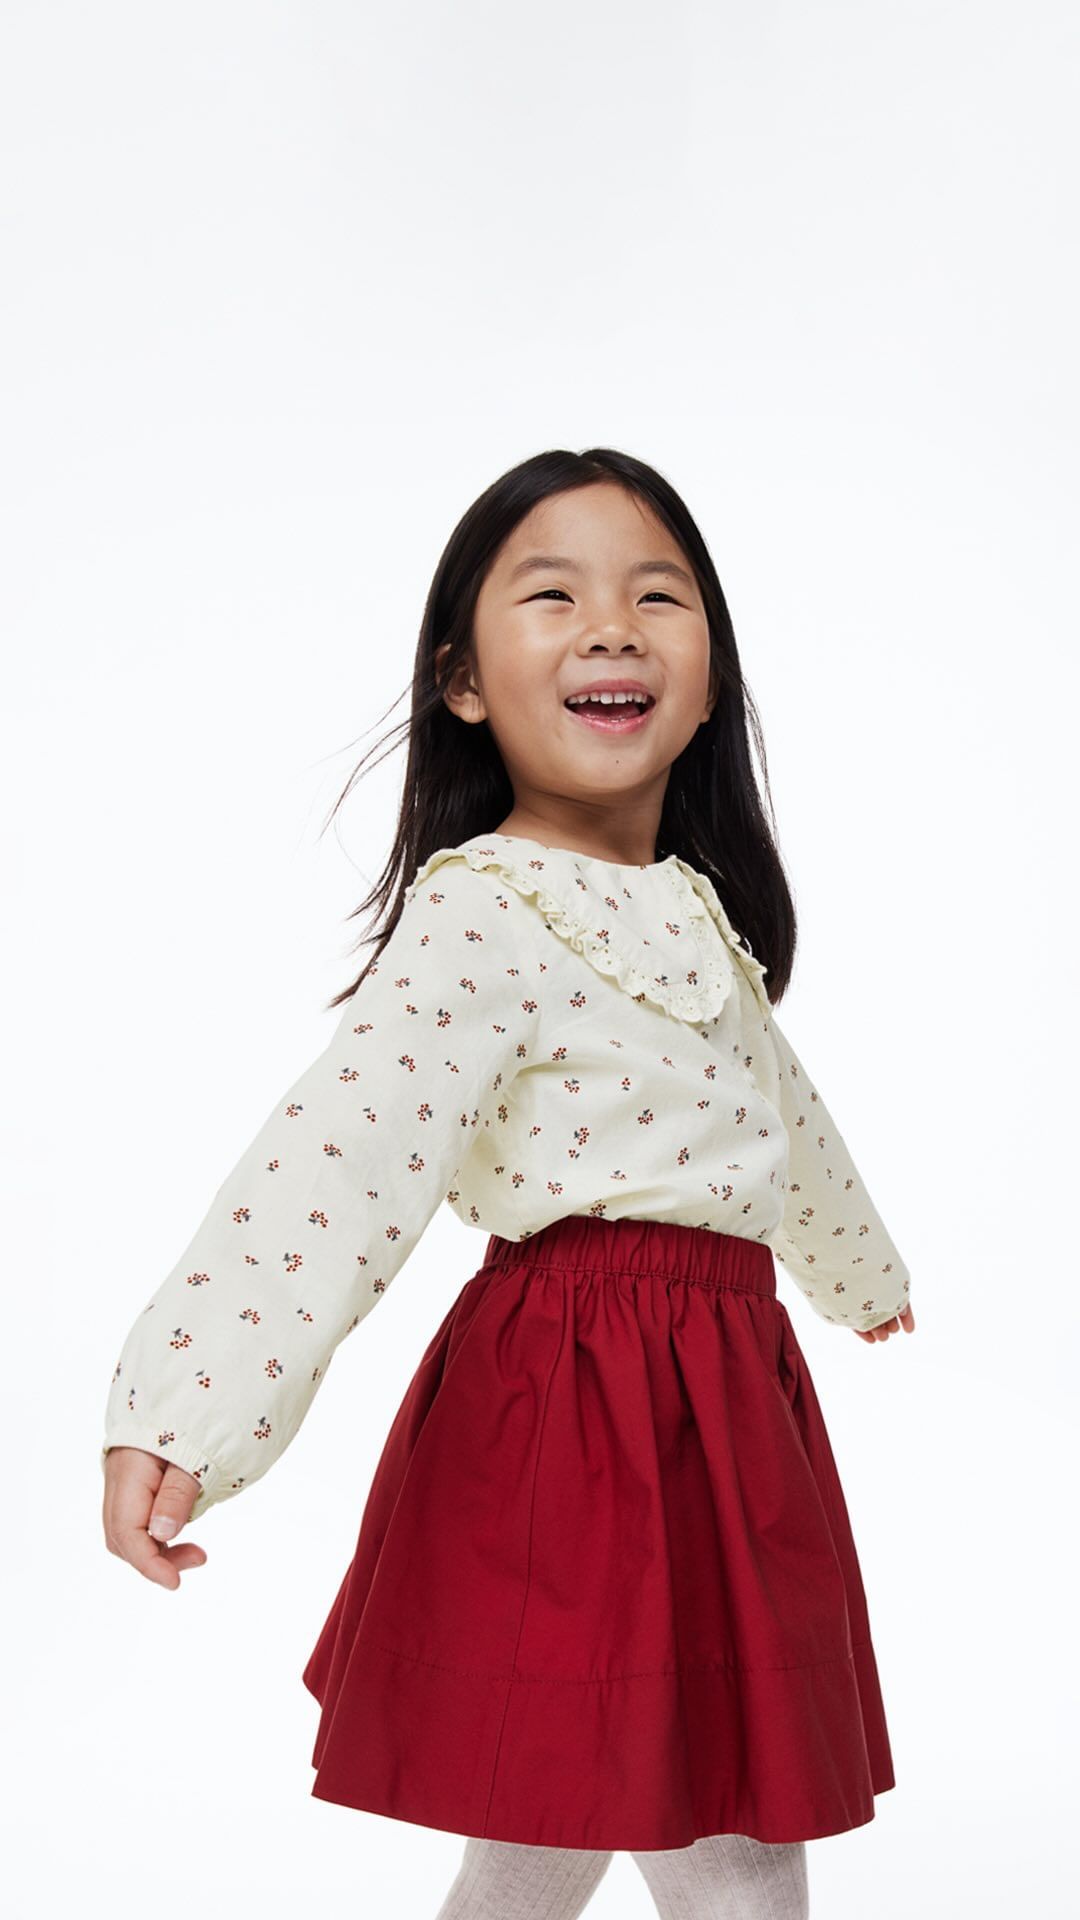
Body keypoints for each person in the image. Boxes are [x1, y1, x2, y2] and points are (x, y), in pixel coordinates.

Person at [101, 448, 915, 1919]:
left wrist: (857, 1270)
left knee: (640, 1808)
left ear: (711, 683)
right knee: (640, 1813)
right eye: (553, 596)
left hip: (726, 1396)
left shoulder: (694, 912)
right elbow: (339, 1160)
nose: (611, 626)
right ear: (463, 681)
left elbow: (781, 1117)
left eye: (657, 596)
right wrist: (185, 1414)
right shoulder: (482, 912)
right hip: (577, 1406)